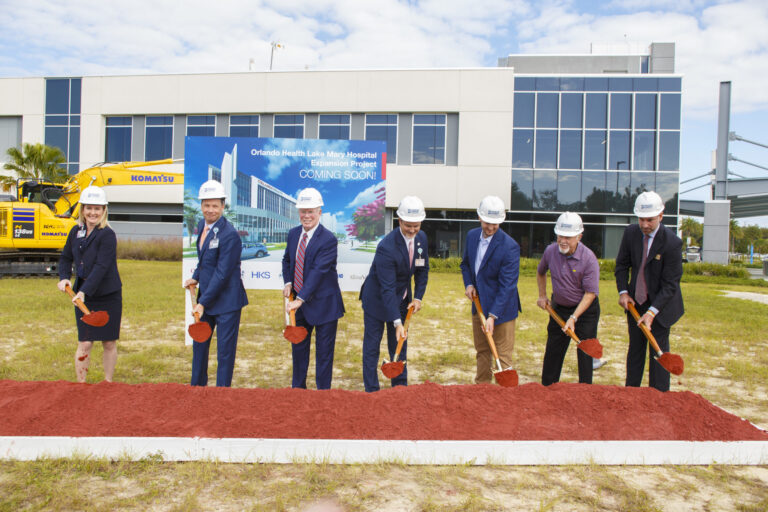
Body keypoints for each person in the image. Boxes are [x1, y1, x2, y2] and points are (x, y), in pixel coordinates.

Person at [615, 191, 684, 392]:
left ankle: (659, 398)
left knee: (658, 352)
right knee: (635, 351)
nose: (645, 225)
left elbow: (671, 284)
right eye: (641, 219)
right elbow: (621, 266)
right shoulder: (630, 233)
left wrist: (652, 312)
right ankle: (632, 395)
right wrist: (623, 292)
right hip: (636, 302)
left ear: (661, 216)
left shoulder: (672, 243)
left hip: (661, 307)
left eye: (650, 220)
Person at [183, 179, 248, 387]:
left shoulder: (230, 235)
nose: (210, 210)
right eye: (206, 205)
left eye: (215, 205)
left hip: (227, 302)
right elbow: (205, 260)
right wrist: (197, 277)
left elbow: (222, 273)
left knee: (225, 353)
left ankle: (221, 396)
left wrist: (203, 302)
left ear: (222, 206)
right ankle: (197, 389)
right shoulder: (202, 226)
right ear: (201, 205)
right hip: (207, 299)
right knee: (199, 345)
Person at [360, 196, 429, 392]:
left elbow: (422, 270)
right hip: (376, 300)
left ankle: (399, 391)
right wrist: (397, 322)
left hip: (401, 299)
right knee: (372, 347)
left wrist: (417, 298)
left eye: (416, 226)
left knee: (399, 345)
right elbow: (387, 288)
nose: (413, 230)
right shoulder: (386, 247)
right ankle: (371, 391)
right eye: (408, 225)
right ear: (399, 221)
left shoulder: (421, 239)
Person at [57, 186, 122, 383]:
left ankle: (108, 383)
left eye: (97, 209)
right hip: (82, 295)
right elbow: (65, 258)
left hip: (107, 295)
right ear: (82, 209)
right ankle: (81, 385)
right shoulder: (75, 231)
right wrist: (64, 277)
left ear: (104, 211)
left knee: (109, 341)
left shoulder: (107, 235)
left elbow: (102, 266)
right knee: (85, 341)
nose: (92, 213)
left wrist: (84, 291)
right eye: (89, 208)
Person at [282, 187, 345, 390]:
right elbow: (287, 260)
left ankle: (322, 396)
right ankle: (298, 393)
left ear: (320, 212)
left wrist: (299, 299)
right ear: (298, 212)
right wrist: (288, 283)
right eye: (303, 211)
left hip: (325, 306)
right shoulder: (293, 235)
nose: (306, 215)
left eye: (311, 211)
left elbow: (318, 272)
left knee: (324, 354)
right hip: (299, 305)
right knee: (298, 352)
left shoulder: (328, 239)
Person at [460, 196, 521, 383]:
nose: (491, 227)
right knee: (482, 352)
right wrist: (469, 284)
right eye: (488, 222)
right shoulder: (471, 236)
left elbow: (507, 286)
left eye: (496, 224)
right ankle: (482, 390)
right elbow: (466, 265)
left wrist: (493, 316)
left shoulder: (510, 247)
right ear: (479, 217)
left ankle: (504, 397)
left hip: (502, 309)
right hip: (479, 304)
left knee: (502, 355)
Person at [536, 212, 600, 385]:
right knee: (553, 352)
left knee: (585, 352)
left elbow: (590, 294)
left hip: (585, 311)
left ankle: (585, 391)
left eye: (568, 237)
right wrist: (542, 295)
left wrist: (574, 318)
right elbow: (541, 272)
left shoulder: (588, 259)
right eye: (560, 235)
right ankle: (548, 389)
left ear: (579, 236)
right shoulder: (550, 251)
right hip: (559, 308)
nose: (563, 240)